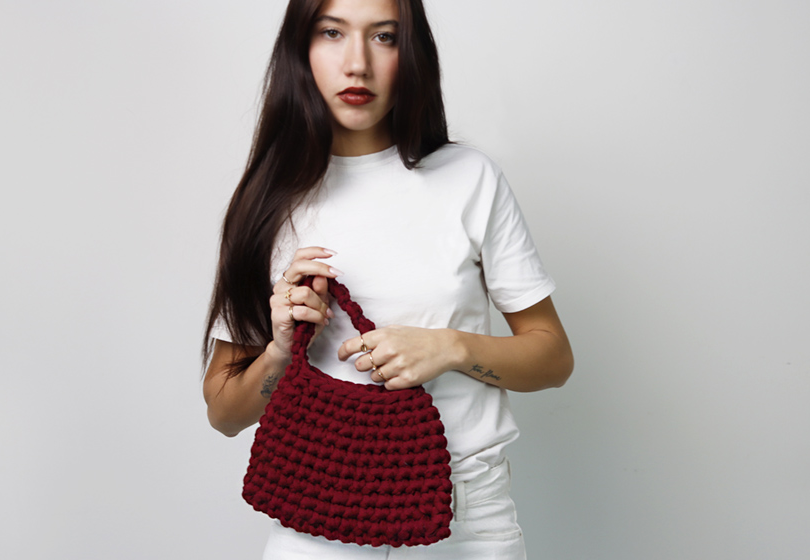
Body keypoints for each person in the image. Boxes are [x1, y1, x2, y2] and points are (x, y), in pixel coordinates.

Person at [201, 0, 573, 557]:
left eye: (384, 37)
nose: (357, 63)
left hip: (465, 523)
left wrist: (448, 348)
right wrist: (280, 350)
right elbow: (224, 413)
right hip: (315, 525)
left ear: (412, 52)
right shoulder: (266, 203)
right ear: (300, 49)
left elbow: (553, 359)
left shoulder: (469, 179)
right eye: (332, 33)